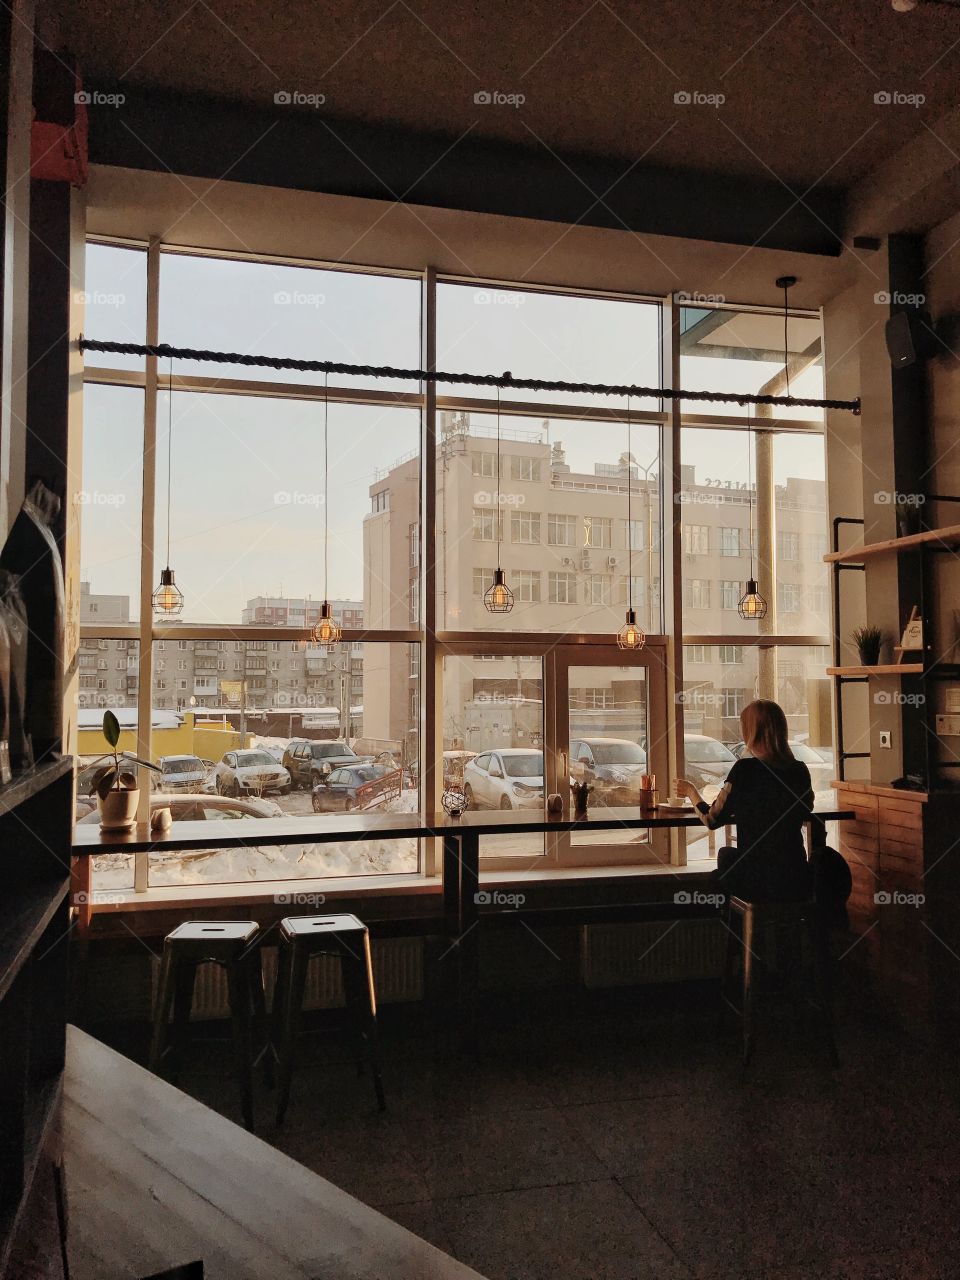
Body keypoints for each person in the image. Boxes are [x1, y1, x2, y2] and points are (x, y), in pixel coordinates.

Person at [674, 699, 813, 903]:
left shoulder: (745, 770)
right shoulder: (800, 770)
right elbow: (805, 809)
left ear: (752, 732)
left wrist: (691, 791)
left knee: (724, 858)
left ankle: (738, 930)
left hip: (756, 877)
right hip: (794, 873)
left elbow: (711, 819)